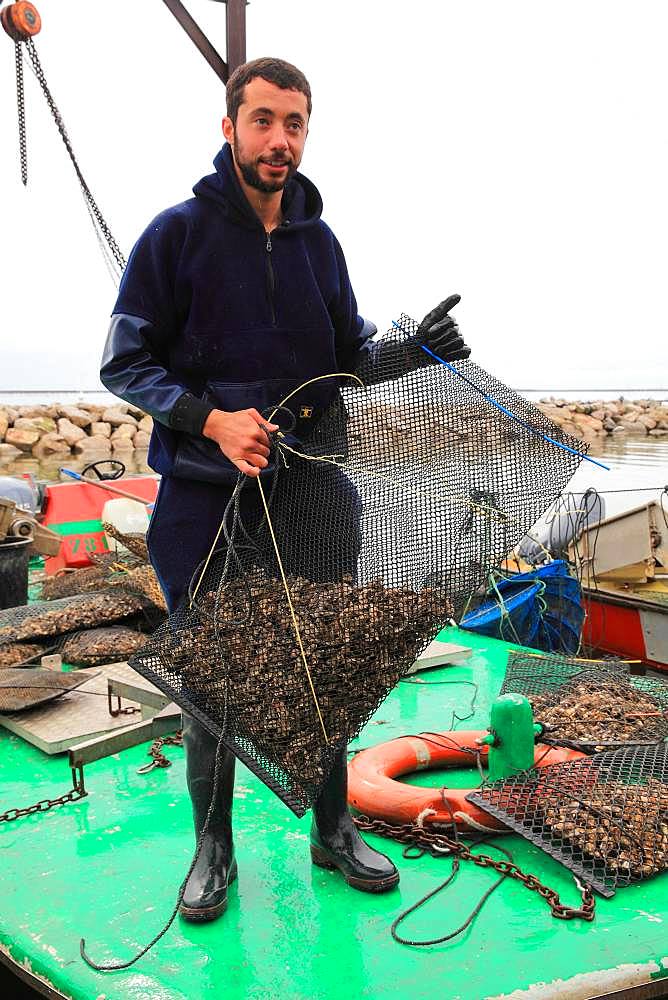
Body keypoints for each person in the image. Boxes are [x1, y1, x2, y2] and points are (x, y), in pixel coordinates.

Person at [100, 56, 469, 923]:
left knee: (327, 659)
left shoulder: (321, 244)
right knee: (213, 671)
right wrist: (211, 419)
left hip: (312, 492)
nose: (280, 140)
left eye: (294, 123)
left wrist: (418, 351)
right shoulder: (175, 236)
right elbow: (125, 362)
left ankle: (333, 832)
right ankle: (212, 849)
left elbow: (350, 358)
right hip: (205, 499)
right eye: (262, 121)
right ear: (229, 128)